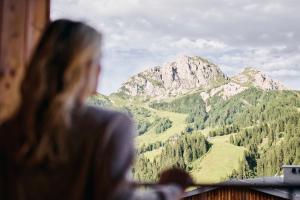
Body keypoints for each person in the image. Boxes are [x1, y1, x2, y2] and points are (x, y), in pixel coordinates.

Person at [0, 19, 192, 200]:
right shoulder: (109, 127)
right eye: (97, 59)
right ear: (83, 67)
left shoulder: (6, 132)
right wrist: (170, 189)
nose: (100, 68)